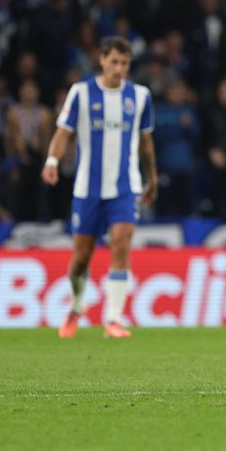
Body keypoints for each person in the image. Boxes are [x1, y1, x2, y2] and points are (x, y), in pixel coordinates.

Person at [41, 36, 157, 339]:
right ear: (102, 60)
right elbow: (63, 132)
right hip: (87, 189)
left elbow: (145, 141)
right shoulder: (81, 93)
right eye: (114, 62)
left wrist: (152, 177)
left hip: (125, 187)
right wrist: (52, 160)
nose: (119, 69)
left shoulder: (140, 96)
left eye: (125, 63)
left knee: (121, 244)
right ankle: (77, 306)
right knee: (81, 257)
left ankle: (113, 320)